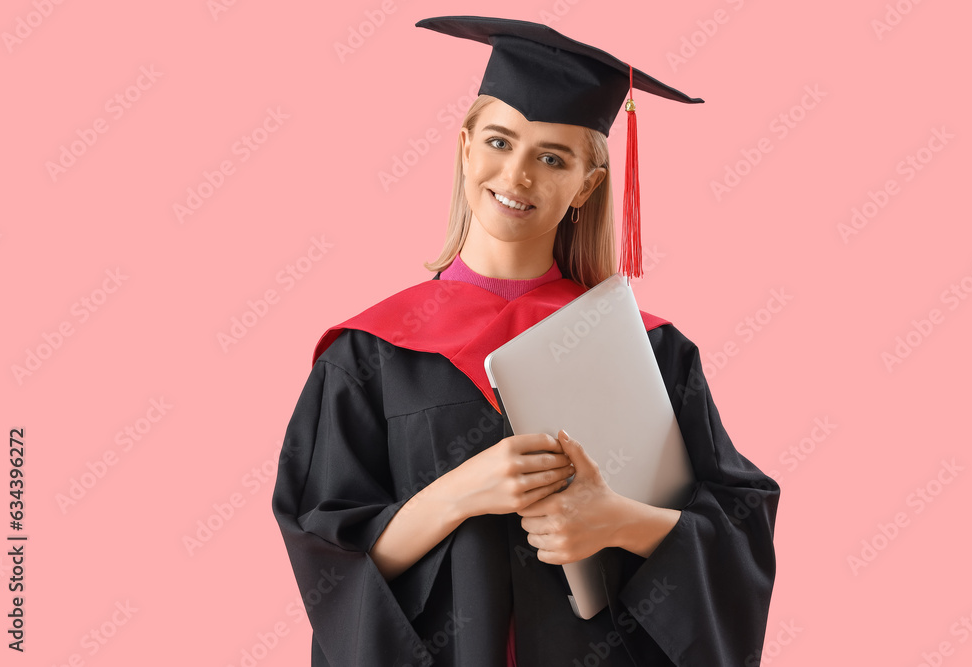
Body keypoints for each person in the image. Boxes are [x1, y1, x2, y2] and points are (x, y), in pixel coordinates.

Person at [272, 16, 778, 667]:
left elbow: (739, 533)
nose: (517, 175)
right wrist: (460, 492)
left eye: (552, 157)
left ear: (586, 186)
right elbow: (326, 553)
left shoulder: (651, 351)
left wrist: (617, 519)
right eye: (499, 140)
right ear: (464, 147)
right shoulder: (369, 355)